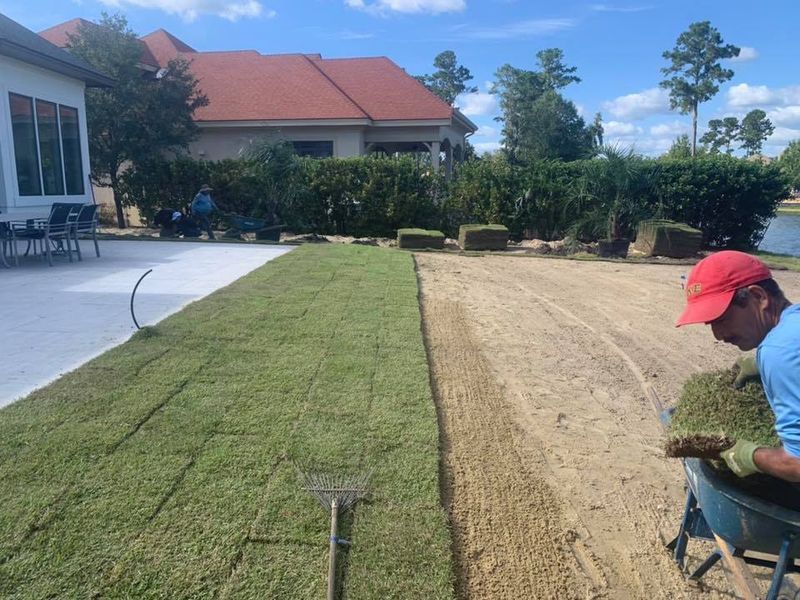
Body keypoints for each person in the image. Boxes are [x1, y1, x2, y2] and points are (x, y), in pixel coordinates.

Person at [676, 250, 800, 482]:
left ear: (759, 297)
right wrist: (761, 365)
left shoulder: (779, 351)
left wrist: (749, 455)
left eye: (721, 319)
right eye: (710, 323)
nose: (718, 334)